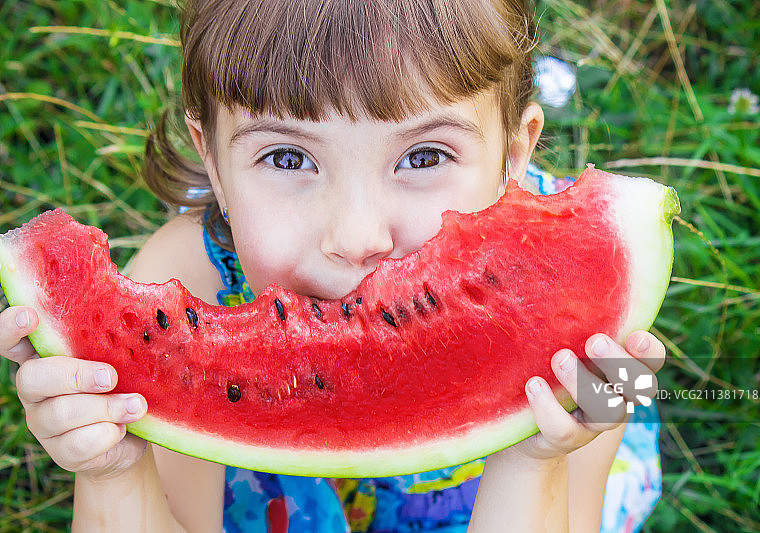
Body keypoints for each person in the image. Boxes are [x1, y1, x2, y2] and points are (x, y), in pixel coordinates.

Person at [0, 0, 665, 531]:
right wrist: (113, 471)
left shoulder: (593, 342)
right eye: (289, 159)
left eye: (424, 156)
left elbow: (575, 517)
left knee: (624, 399)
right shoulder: (180, 273)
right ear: (214, 164)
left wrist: (533, 457)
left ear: (515, 155)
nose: (356, 236)